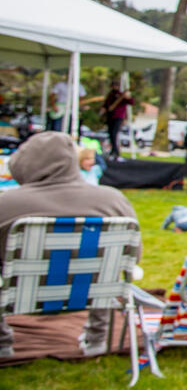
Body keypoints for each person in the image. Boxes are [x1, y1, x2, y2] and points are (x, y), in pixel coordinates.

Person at [0, 132, 139, 358]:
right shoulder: (113, 201)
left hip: (20, 296)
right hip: (89, 293)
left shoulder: (6, 204)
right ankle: (96, 339)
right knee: (107, 269)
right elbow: (133, 258)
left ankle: (3, 343)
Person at [99, 80, 133, 159]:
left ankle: (116, 151)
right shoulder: (110, 95)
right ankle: (113, 151)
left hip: (118, 117)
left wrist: (128, 97)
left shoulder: (121, 96)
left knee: (115, 133)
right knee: (111, 134)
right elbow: (106, 105)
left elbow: (131, 102)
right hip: (110, 117)